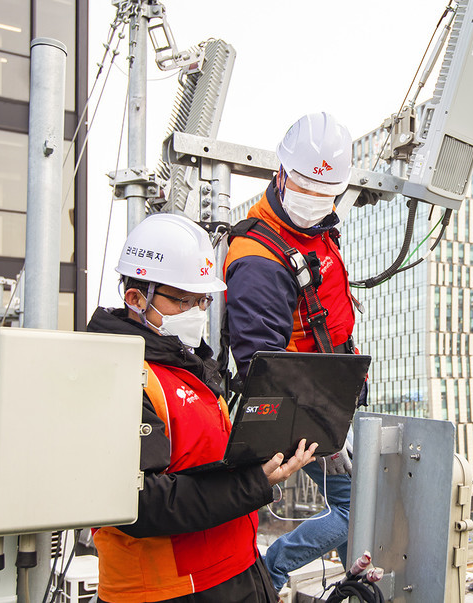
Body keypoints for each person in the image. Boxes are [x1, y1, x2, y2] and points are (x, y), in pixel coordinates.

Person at [87, 213, 318, 603]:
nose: (197, 311)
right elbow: (138, 503)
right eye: (184, 300)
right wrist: (254, 482)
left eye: (202, 300)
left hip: (238, 570)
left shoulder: (190, 367)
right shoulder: (114, 373)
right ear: (136, 298)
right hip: (166, 591)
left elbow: (207, 460)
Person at [224, 112, 360, 592]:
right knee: (357, 508)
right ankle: (271, 570)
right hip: (314, 409)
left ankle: (356, 584)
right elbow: (266, 369)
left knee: (361, 515)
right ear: (280, 174)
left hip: (333, 400)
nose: (315, 200)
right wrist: (327, 430)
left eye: (326, 193)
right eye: (305, 186)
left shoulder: (312, 227)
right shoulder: (258, 258)